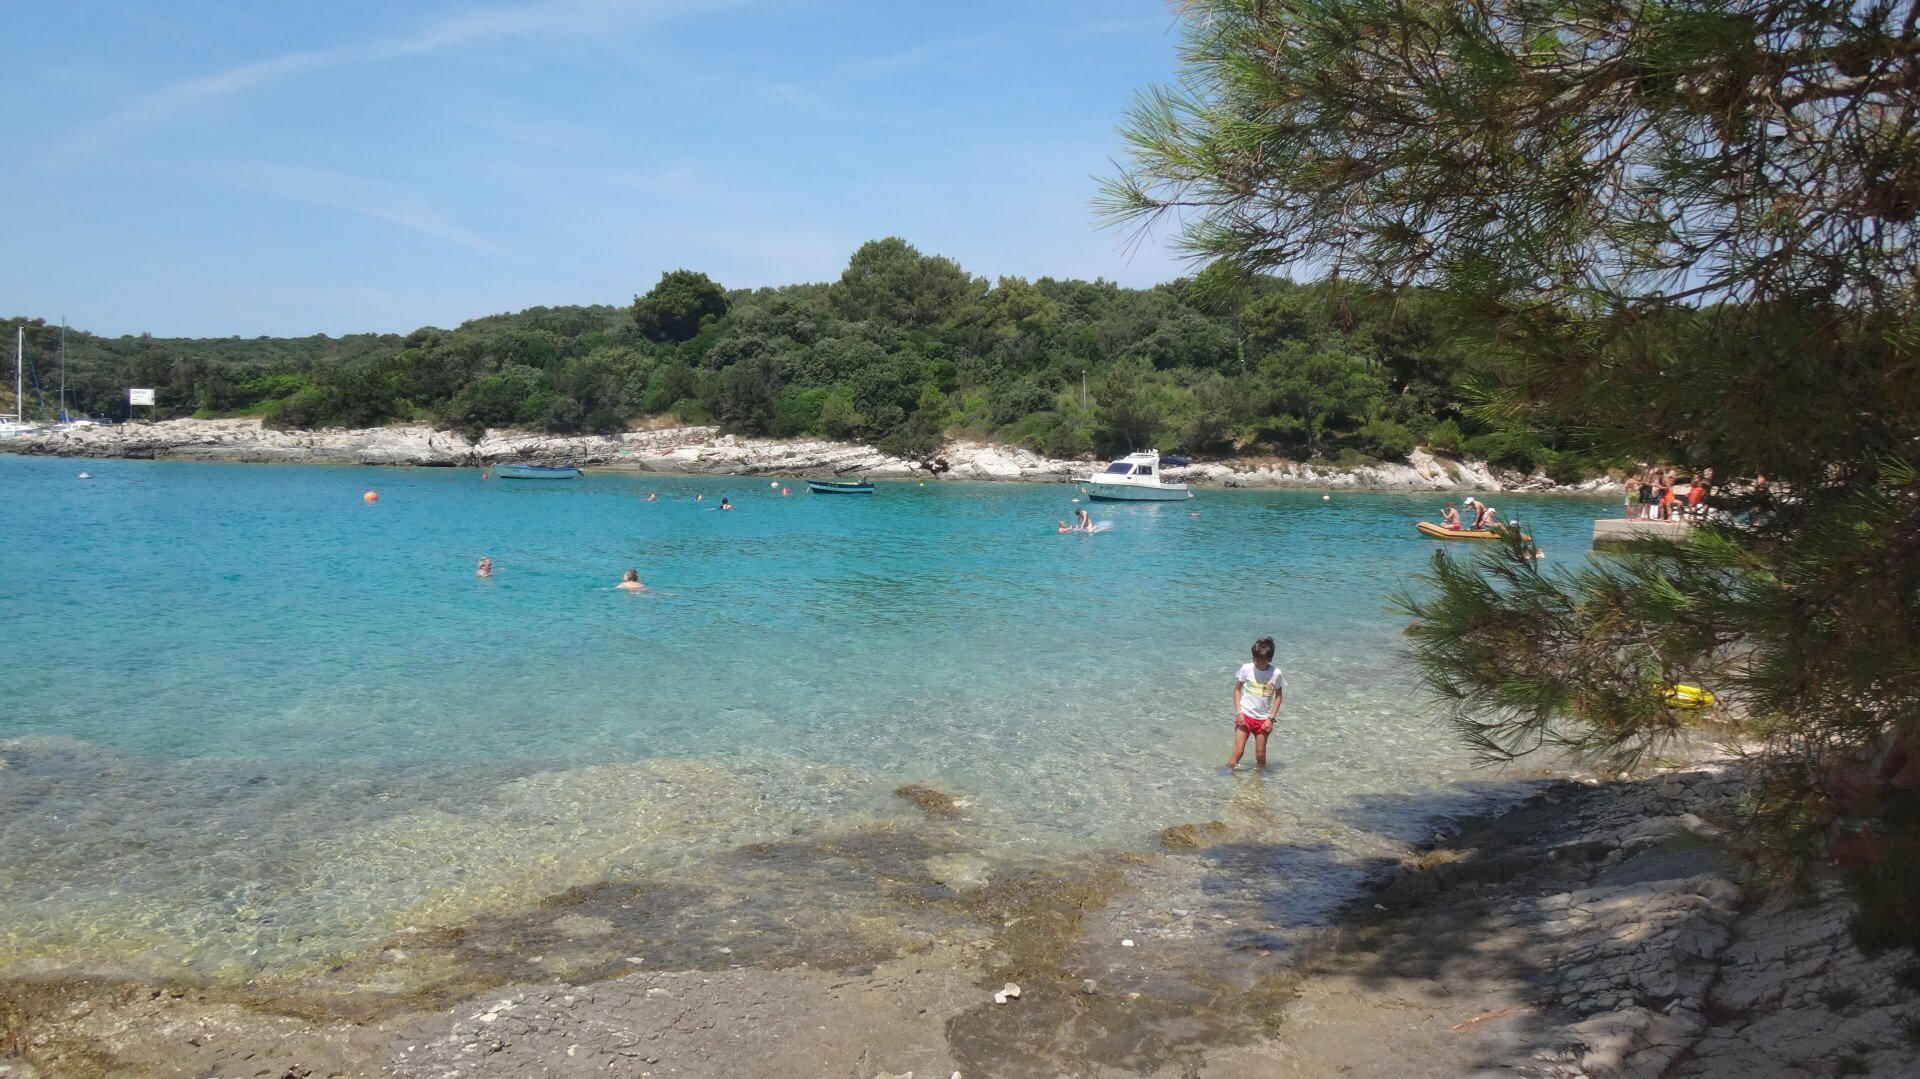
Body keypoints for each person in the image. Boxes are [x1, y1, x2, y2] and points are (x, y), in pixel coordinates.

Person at [1229, 636, 1286, 770]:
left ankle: (1259, 782)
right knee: (1239, 751)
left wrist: (1270, 719)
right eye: (1254, 658)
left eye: (1260, 659)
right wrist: (1239, 712)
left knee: (1260, 755)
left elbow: (1279, 696)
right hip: (1245, 716)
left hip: (1263, 719)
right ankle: (1228, 774)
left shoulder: (1276, 673)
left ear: (1269, 659)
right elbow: (1237, 690)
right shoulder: (1246, 668)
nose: (1256, 661)